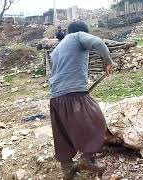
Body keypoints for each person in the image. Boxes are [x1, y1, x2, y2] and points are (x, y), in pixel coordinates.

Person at [49, 21, 115, 179]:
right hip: (74, 94)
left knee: (63, 132)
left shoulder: (57, 49)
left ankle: (67, 169)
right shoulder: (77, 36)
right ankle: (87, 158)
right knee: (96, 120)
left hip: (56, 97)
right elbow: (98, 42)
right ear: (83, 32)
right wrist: (108, 62)